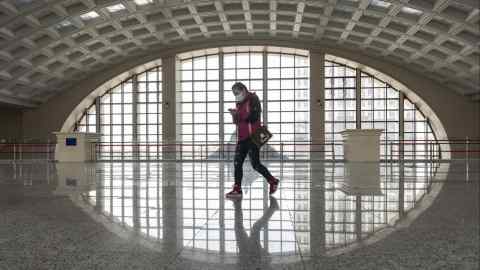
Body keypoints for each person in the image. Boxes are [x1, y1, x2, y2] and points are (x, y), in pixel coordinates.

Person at [226, 82, 279, 198]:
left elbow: (254, 116)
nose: (236, 95)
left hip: (252, 138)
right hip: (242, 138)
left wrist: (239, 115)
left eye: (237, 93)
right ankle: (237, 189)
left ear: (244, 90)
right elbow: (237, 122)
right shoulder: (239, 103)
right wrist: (234, 115)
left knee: (255, 164)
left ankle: (272, 180)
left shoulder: (253, 98)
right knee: (237, 163)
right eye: (234, 94)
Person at [232, 196, 279, 269]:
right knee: (252, 228)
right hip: (251, 255)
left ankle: (237, 203)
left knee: (240, 227)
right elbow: (267, 262)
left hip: (246, 254)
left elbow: (268, 261)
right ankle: (273, 208)